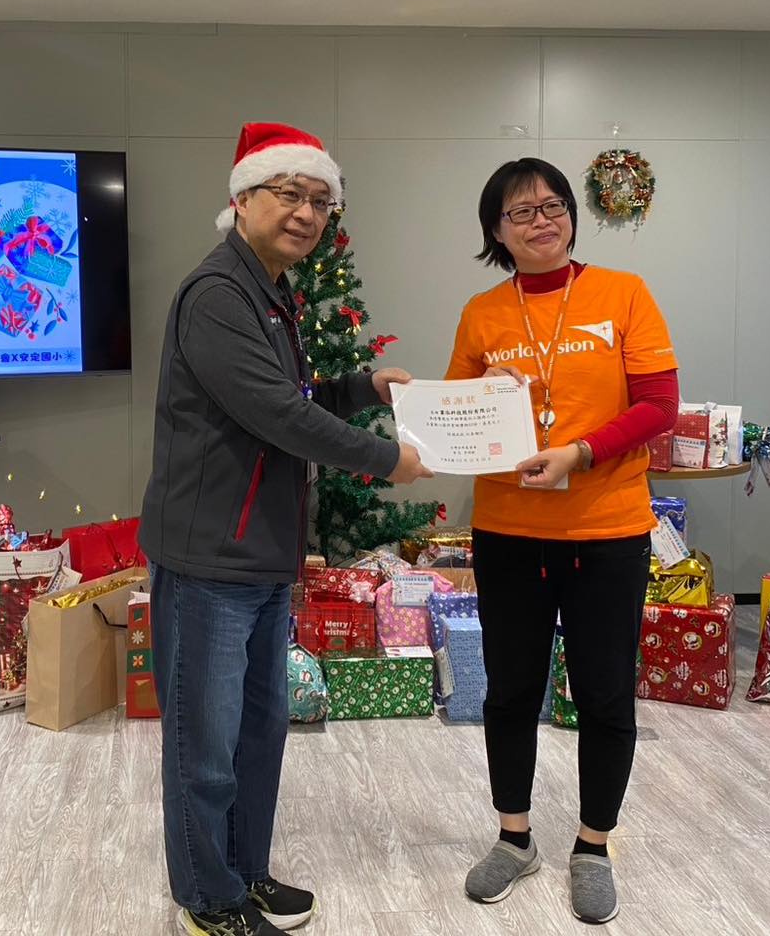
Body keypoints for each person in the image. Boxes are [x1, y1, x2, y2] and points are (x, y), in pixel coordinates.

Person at [140, 122, 433, 936]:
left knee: (259, 732)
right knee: (205, 742)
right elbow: (274, 414)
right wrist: (387, 459)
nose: (307, 213)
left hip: (263, 555)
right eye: (290, 194)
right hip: (210, 558)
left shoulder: (271, 291)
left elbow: (292, 395)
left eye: (320, 200)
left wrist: (364, 387)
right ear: (243, 199)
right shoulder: (217, 295)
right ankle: (208, 899)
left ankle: (243, 873)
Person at [444, 157, 679, 925]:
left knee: (605, 693)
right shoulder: (483, 312)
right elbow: (458, 414)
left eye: (553, 206)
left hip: (606, 530)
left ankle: (592, 847)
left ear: (572, 216)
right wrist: (431, 418)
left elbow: (660, 405)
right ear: (496, 230)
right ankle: (514, 838)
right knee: (510, 690)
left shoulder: (623, 293)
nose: (541, 221)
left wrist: (580, 453)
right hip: (509, 531)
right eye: (521, 212)